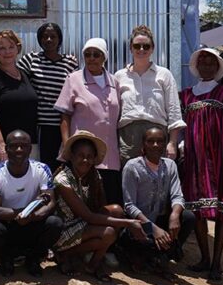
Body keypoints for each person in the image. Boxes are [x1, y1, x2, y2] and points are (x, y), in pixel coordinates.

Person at [52, 130, 146, 282]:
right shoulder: (62, 179)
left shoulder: (93, 175)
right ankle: (69, 255)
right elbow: (87, 216)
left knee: (116, 210)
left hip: (85, 223)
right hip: (64, 228)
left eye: (89, 157)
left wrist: (122, 220)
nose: (85, 160)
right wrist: (129, 223)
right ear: (72, 156)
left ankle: (91, 263)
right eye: (81, 156)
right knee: (108, 233)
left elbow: (100, 208)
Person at [179, 48, 223, 281]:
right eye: (201, 61)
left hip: (220, 160)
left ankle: (217, 263)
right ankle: (204, 257)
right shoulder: (186, 95)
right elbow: (182, 129)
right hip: (195, 160)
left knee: (222, 211)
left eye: (210, 62)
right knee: (197, 210)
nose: (205, 65)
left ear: (217, 67)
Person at [0, 130, 62, 277]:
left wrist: (32, 216)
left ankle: (33, 258)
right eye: (14, 146)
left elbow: (50, 203)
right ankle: (6, 258)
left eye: (23, 146)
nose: (19, 150)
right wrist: (21, 214)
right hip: (8, 224)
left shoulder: (42, 169)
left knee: (54, 223)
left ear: (30, 149)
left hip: (33, 222)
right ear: (6, 149)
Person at [119, 126, 197, 278]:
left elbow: (177, 195)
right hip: (140, 223)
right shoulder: (132, 167)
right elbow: (129, 206)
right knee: (138, 240)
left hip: (160, 220)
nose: (155, 145)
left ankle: (162, 256)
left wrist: (175, 215)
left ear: (165, 143)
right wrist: (152, 229)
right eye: (150, 141)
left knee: (187, 217)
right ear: (143, 145)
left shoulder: (170, 165)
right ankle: (139, 255)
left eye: (160, 141)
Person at [54, 38, 121, 204]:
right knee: (81, 203)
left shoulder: (114, 82)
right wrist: (67, 146)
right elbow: (64, 116)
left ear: (104, 57)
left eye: (96, 54)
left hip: (109, 155)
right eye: (87, 54)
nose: (91, 58)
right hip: (81, 156)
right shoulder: (74, 79)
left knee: (108, 202)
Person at [114, 25, 186, 165]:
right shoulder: (119, 76)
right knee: (130, 180)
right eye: (137, 46)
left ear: (152, 48)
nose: (141, 50)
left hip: (157, 136)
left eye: (146, 46)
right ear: (131, 48)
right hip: (128, 138)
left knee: (157, 181)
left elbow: (174, 110)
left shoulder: (164, 75)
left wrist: (172, 143)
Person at [17, 23, 79, 171]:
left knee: (64, 165)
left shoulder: (70, 62)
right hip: (41, 125)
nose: (49, 40)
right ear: (39, 39)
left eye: (53, 36)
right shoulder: (31, 60)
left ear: (59, 39)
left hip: (63, 125)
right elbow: (13, 75)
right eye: (45, 36)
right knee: (43, 165)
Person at [0, 30, 39, 162]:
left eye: (11, 47)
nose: (7, 52)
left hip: (29, 146)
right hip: (6, 149)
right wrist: (0, 144)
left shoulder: (26, 75)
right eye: (2, 48)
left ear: (18, 49)